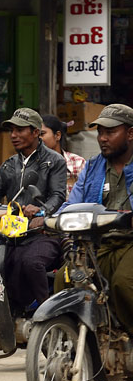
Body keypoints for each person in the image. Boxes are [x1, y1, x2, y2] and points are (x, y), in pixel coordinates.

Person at [56, 103, 133, 329]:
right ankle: (75, 341)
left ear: (130, 133)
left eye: (110, 132)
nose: (102, 138)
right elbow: (73, 204)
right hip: (98, 243)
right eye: (100, 132)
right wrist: (54, 219)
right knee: (65, 278)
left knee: (123, 284)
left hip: (130, 242)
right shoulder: (93, 168)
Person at [0, 108, 67, 312]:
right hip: (11, 233)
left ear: (35, 132)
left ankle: (47, 313)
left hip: (44, 233)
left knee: (30, 262)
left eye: (20, 130)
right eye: (12, 130)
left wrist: (41, 211)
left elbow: (58, 195)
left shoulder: (55, 161)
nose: (13, 135)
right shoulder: (9, 165)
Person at [40, 114, 86, 194]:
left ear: (57, 135)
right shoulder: (32, 165)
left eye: (42, 134)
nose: (39, 139)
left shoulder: (78, 163)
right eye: (35, 135)